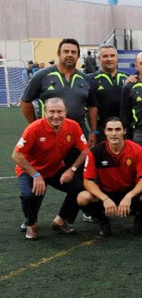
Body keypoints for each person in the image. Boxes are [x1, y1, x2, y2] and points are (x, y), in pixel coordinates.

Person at [12, 97, 88, 239]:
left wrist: (71, 169)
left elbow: (85, 150)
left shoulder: (73, 126)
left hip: (54, 169)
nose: (56, 116)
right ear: (45, 113)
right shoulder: (34, 128)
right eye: (51, 112)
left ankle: (60, 221)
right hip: (30, 170)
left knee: (79, 189)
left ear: (66, 112)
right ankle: (31, 224)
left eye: (60, 111)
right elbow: (16, 155)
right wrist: (35, 175)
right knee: (29, 195)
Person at [78, 117, 142, 236]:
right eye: (110, 130)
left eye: (118, 129)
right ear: (105, 131)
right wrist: (105, 198)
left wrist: (129, 196)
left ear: (124, 131)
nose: (114, 133)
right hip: (106, 192)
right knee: (82, 198)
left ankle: (140, 219)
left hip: (130, 191)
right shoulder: (95, 152)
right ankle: (103, 220)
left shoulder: (136, 149)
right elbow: (88, 181)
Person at [20, 38, 94, 129]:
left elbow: (92, 107)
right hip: (49, 132)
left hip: (78, 132)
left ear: (78, 56)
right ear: (59, 54)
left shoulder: (85, 79)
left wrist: (93, 131)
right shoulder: (42, 75)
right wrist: (34, 124)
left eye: (73, 52)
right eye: (66, 51)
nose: (70, 55)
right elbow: (25, 101)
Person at [87, 44, 129, 145]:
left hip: (125, 130)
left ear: (117, 58)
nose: (109, 59)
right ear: (98, 58)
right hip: (103, 131)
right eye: (105, 56)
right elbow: (92, 108)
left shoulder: (128, 78)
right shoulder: (91, 79)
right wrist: (94, 132)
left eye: (112, 56)